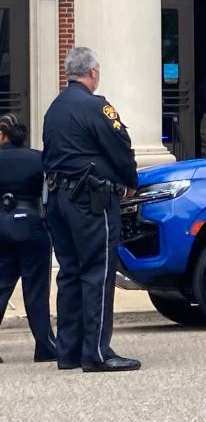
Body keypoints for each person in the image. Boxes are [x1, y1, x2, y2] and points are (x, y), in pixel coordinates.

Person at [41, 47, 141, 372]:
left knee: (69, 273)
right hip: (90, 201)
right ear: (93, 72)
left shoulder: (54, 108)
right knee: (98, 271)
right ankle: (97, 353)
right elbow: (120, 147)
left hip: (57, 199)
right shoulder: (98, 107)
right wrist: (130, 181)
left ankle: (68, 352)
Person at [0, 115, 58, 364]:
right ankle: (44, 346)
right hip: (33, 224)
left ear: (3, 135)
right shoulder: (38, 158)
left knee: (1, 286)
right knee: (36, 290)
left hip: (1, 225)